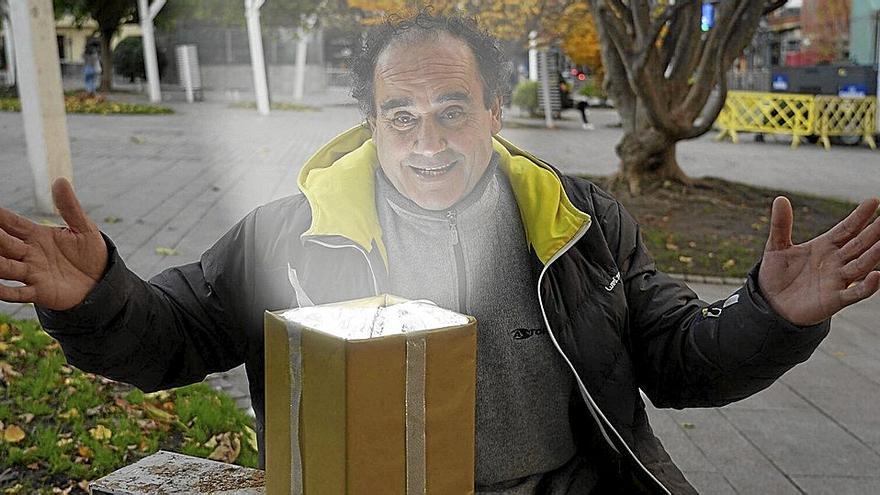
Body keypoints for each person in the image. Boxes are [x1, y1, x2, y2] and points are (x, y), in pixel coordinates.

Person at [2, 11, 880, 494]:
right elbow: (175, 334)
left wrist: (768, 315)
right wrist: (96, 297)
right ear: (373, 123)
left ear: (494, 112)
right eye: (402, 115)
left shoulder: (579, 224)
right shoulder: (290, 232)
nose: (429, 140)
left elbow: (677, 361)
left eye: (453, 110)